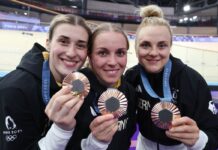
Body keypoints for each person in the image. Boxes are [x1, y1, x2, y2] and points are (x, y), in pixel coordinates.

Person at [125, 5, 218, 150]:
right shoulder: (132, 76)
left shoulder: (193, 81)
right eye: (145, 45)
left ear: (170, 46)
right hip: (143, 145)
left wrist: (198, 138)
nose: (154, 52)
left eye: (162, 46)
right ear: (136, 47)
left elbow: (214, 133)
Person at [0, 14, 91, 150]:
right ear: (48, 43)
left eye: (80, 45)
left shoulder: (81, 86)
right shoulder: (13, 90)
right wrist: (61, 130)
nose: (71, 53)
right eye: (63, 42)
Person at [66, 23, 136, 150]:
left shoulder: (129, 91)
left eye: (120, 53)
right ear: (90, 55)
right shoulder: (75, 87)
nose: (113, 62)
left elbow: (128, 135)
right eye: (103, 53)